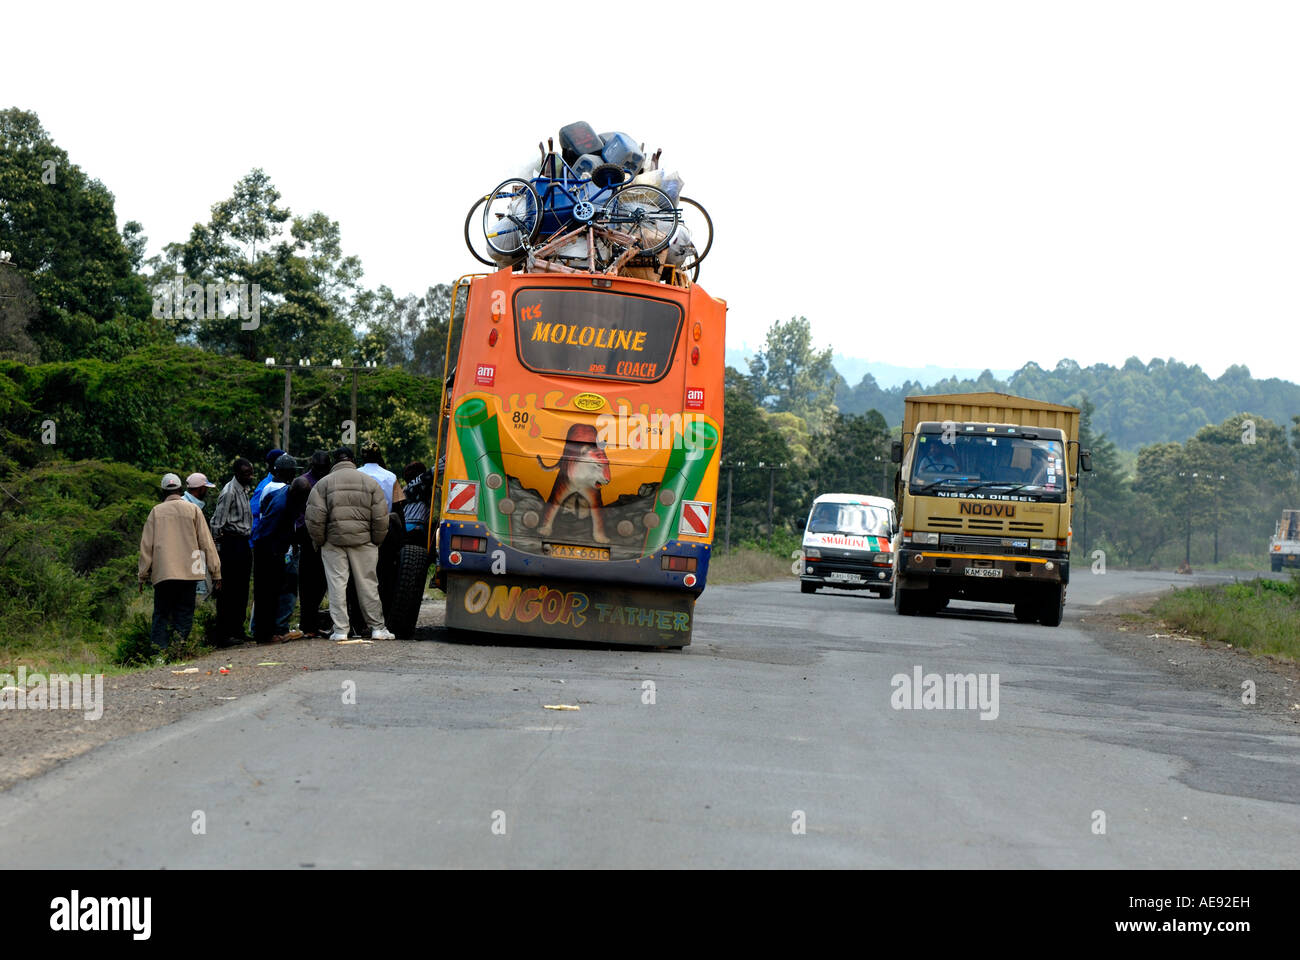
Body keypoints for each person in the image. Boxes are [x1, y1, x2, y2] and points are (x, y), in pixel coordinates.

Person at [306, 447, 394, 640]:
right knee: (368, 584)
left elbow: (314, 518)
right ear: (353, 460)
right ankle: (377, 628)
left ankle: (340, 630)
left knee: (337, 585)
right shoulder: (370, 483)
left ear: (334, 462)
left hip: (333, 541)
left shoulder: (323, 484)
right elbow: (381, 517)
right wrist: (376, 541)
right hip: (363, 541)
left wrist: (320, 541)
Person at [139, 473, 222, 654]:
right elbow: (206, 543)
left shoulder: (155, 512)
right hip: (189, 572)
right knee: (184, 613)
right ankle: (178, 650)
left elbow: (146, 546)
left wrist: (142, 575)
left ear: (163, 491)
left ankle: (159, 654)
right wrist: (216, 572)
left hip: (164, 573)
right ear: (179, 488)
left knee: (161, 615)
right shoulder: (193, 510)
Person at [251, 454, 298, 644]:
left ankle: (265, 631)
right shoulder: (282, 492)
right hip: (275, 547)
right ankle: (271, 632)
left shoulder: (267, 487)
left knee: (266, 592)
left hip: (268, 546)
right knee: (275, 591)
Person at [209, 457, 255, 646]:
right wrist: (218, 549)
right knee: (228, 591)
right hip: (231, 544)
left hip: (243, 543)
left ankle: (238, 630)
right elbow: (216, 523)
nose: (250, 476)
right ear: (237, 473)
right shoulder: (229, 492)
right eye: (246, 473)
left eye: (251, 472)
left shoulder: (244, 490)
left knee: (242, 589)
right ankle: (224, 634)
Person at [291, 450, 332, 637]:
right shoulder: (304, 482)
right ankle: (307, 624)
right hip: (307, 536)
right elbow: (298, 512)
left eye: (325, 468)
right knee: (308, 582)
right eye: (319, 468)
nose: (322, 471)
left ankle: (314, 622)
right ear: (313, 466)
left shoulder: (331, 481)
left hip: (327, 536)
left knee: (323, 581)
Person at [357, 442, 405, 512]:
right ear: (379, 456)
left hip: (359, 521)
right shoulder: (391, 477)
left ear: (362, 456)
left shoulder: (354, 474)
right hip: (384, 520)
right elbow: (397, 506)